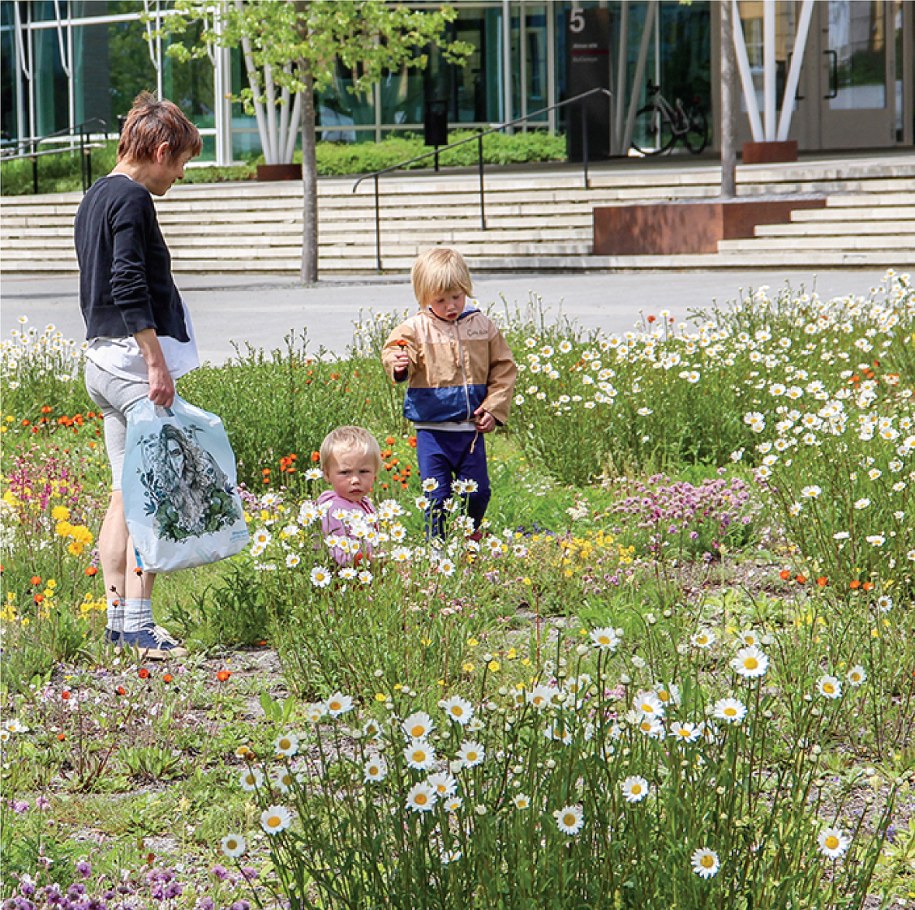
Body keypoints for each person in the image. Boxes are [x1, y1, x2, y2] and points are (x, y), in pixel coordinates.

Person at [75, 91, 202, 659]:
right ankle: (141, 623)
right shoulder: (133, 199)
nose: (178, 177)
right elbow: (127, 282)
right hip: (131, 367)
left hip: (99, 362)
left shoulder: (94, 195)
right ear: (160, 149)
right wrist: (155, 362)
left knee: (123, 497)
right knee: (153, 495)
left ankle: (117, 619)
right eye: (180, 164)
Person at [381, 247, 517, 538]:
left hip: (470, 430)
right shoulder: (416, 328)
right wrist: (399, 364)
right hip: (432, 431)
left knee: (478, 492)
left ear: (466, 289)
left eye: (456, 296)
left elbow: (504, 368)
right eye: (440, 300)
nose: (450, 305)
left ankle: (470, 534)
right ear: (423, 297)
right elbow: (394, 350)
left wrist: (493, 408)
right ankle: (437, 547)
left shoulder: (482, 326)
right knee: (437, 496)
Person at [318, 426, 381, 565]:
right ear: (327, 474)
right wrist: (371, 561)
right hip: (347, 579)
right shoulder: (332, 509)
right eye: (345, 472)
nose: (355, 480)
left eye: (364, 471)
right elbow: (337, 553)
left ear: (375, 473)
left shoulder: (365, 503)